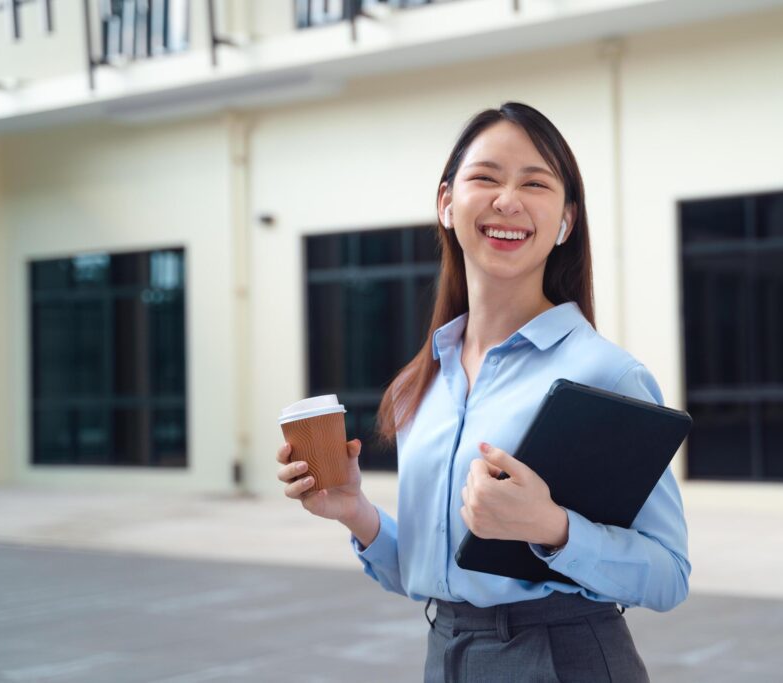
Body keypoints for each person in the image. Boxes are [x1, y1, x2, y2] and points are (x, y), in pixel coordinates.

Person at [276, 102, 689, 682]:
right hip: (448, 652)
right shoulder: (420, 384)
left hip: (565, 657)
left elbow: (670, 573)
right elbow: (434, 572)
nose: (508, 201)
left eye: (535, 183)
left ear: (566, 221)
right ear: (446, 203)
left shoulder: (605, 374)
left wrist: (551, 528)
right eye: (486, 177)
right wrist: (357, 514)